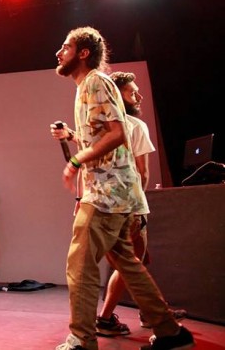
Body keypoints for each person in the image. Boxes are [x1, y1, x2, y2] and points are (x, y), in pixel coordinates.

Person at [51, 26, 194, 350]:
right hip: (112, 194)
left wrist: (76, 161)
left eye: (66, 47)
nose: (58, 53)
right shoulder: (86, 87)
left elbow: (118, 134)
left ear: (83, 53)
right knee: (128, 265)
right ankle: (171, 333)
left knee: (80, 265)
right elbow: (102, 136)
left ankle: (82, 339)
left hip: (107, 195)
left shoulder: (95, 82)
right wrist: (74, 139)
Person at [94, 72, 186, 336]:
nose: (139, 96)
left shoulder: (99, 127)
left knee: (138, 261)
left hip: (105, 204)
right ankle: (107, 319)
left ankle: (150, 311)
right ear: (118, 95)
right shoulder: (135, 125)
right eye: (132, 92)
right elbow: (142, 172)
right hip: (129, 205)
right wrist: (138, 205)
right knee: (131, 263)